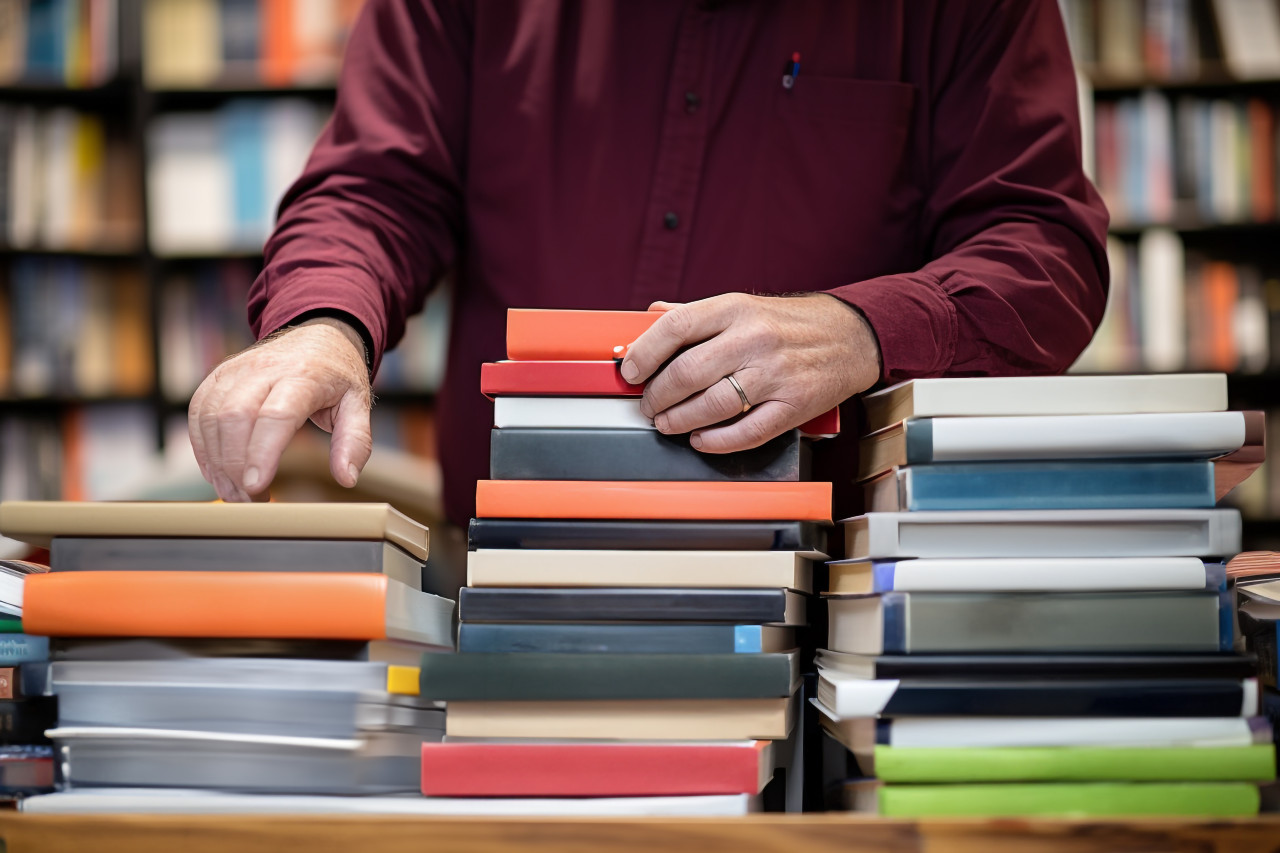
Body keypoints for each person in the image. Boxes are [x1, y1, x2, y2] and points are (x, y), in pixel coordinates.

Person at [189, 0, 1109, 526]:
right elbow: (380, 186)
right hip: (516, 565)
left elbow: (1045, 247)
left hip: (830, 588)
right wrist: (322, 324)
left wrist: (865, 330)